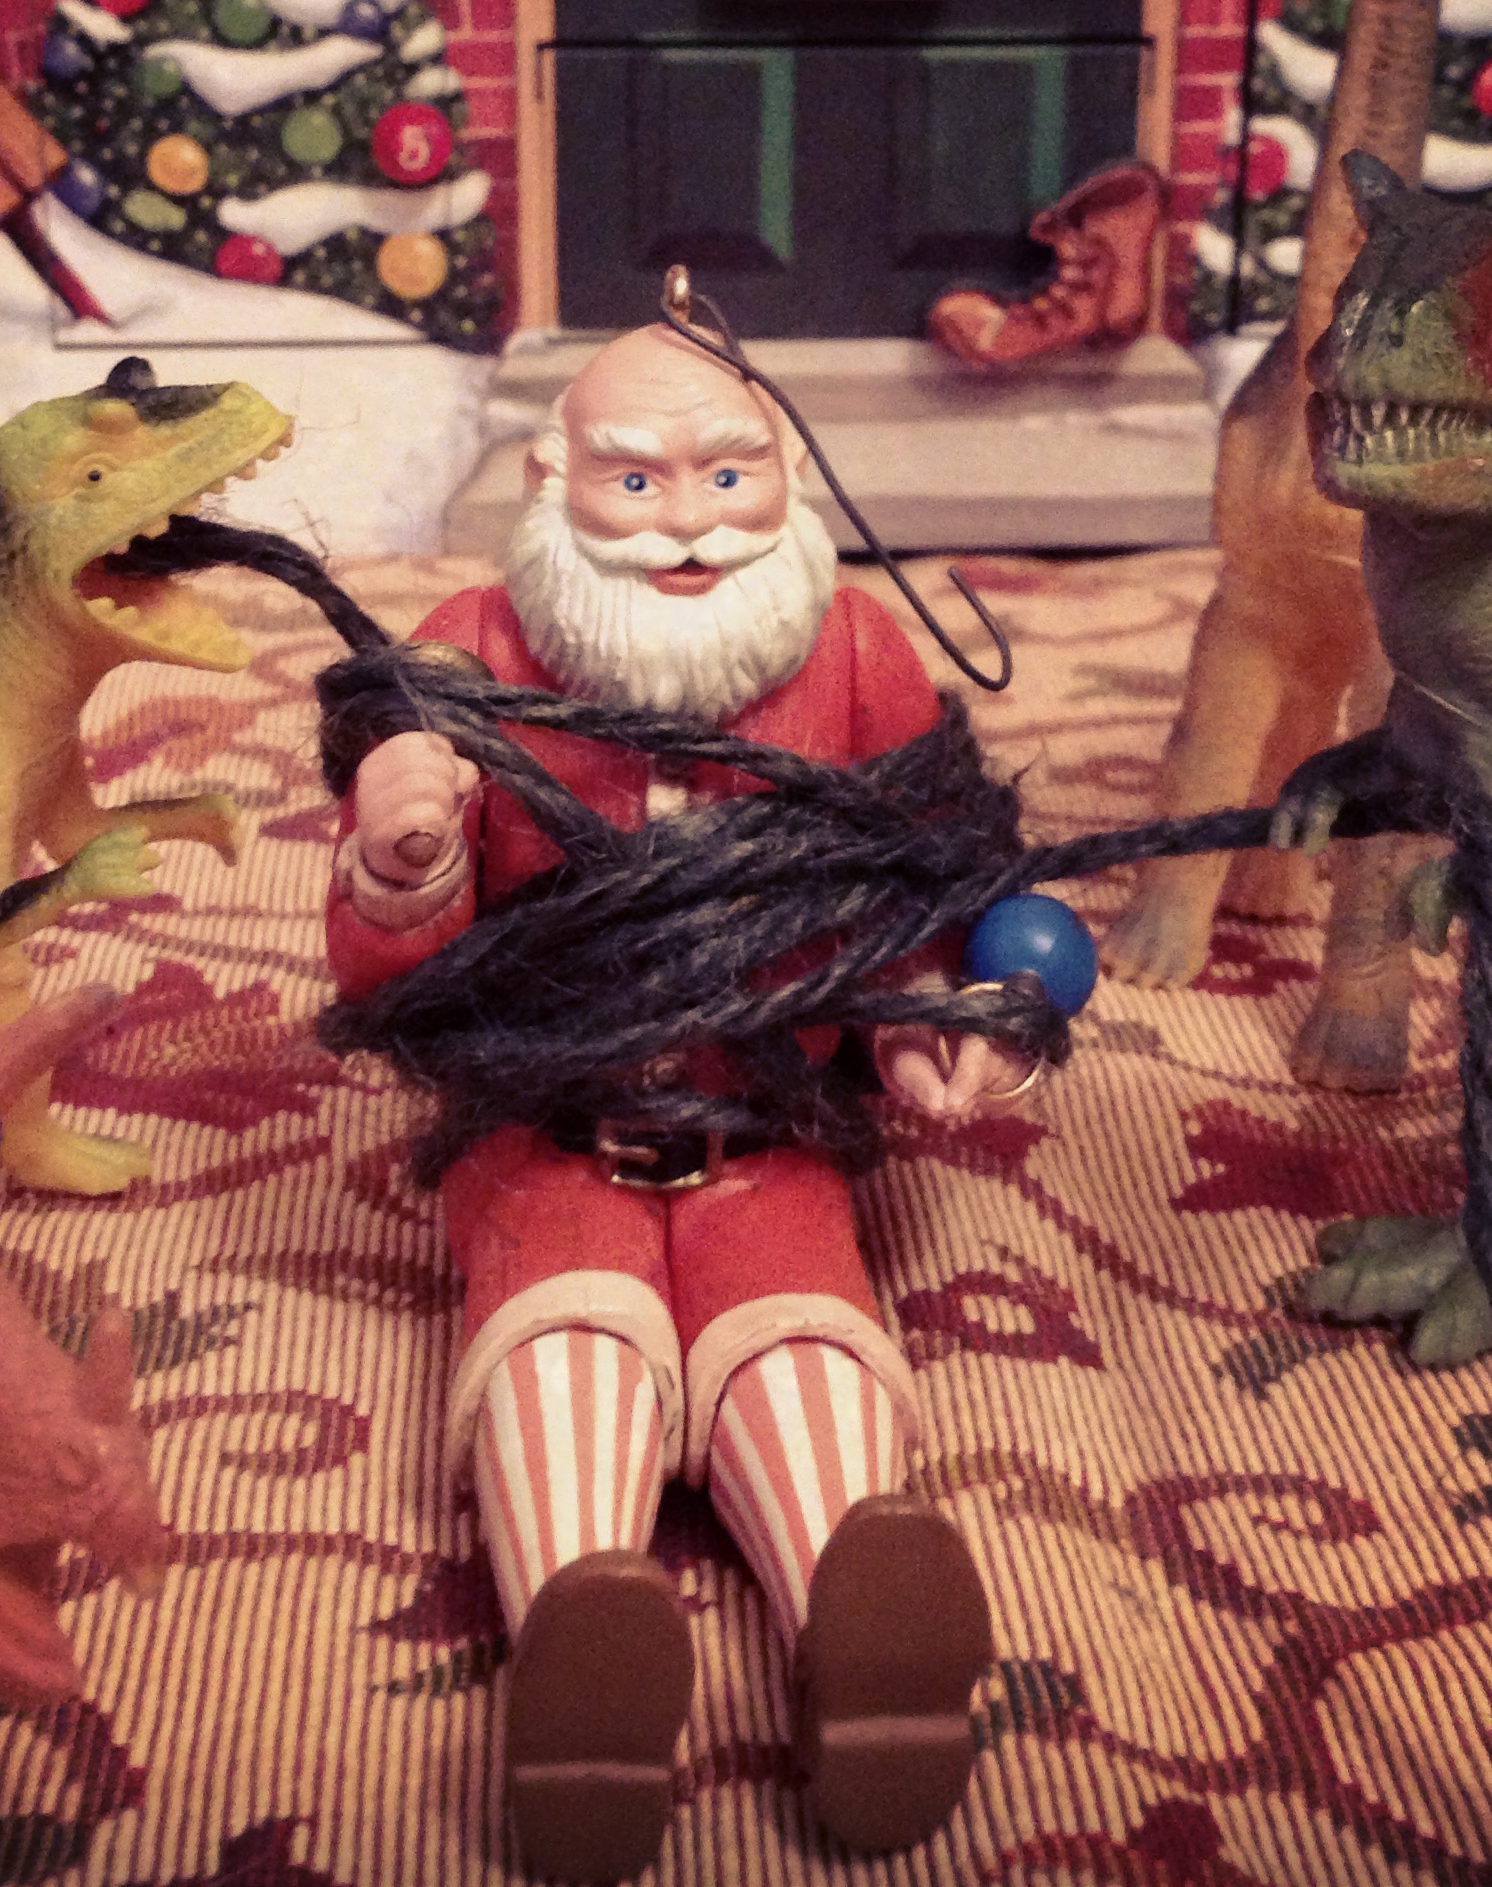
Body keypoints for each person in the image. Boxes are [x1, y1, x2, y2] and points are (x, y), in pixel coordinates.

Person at [327, 323, 1027, 1882]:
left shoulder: (857, 652)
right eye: (636, 481)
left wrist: (937, 1011)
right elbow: (390, 979)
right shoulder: (465, 658)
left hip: (777, 1135)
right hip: (545, 1136)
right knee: (563, 1338)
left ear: (790, 467)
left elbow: (928, 874)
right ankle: (584, 1652)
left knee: (795, 1339)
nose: (693, 522)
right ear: (550, 476)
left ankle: (862, 1631)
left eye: (730, 473)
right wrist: (400, 858)